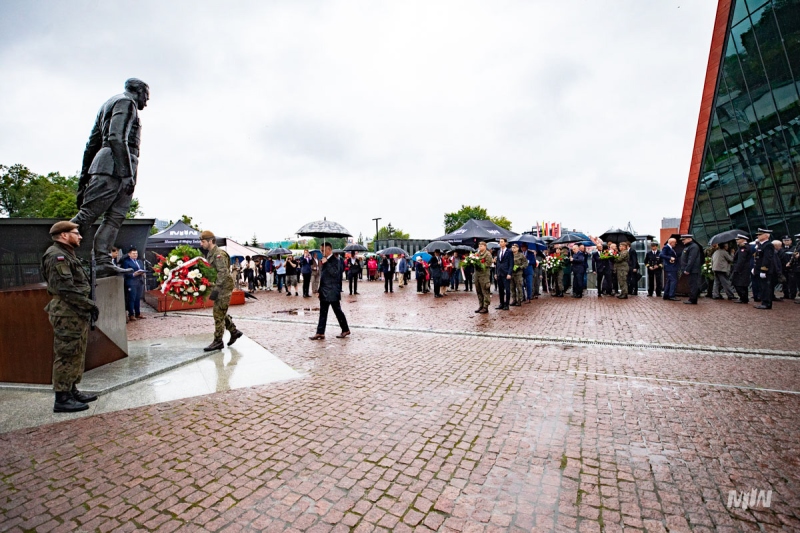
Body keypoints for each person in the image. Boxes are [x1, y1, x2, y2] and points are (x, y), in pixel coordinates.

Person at [71, 79, 148, 278]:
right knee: (89, 214)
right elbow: (116, 138)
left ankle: (103, 261)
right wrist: (126, 173)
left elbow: (91, 145)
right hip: (115, 166)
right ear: (139, 91)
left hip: (116, 164)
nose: (146, 102)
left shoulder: (107, 105)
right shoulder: (126, 102)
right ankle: (59, 251)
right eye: (146, 96)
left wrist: (83, 179)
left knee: (114, 218)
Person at [42, 221, 100, 413]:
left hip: (75, 311)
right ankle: (62, 398)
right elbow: (65, 288)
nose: (80, 236)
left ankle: (71, 389)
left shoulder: (67, 254)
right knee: (66, 353)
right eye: (76, 233)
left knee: (76, 351)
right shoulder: (56, 256)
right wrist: (89, 304)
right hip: (67, 311)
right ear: (64, 235)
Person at [200, 231, 243, 351]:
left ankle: (218, 341)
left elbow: (223, 273)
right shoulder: (210, 254)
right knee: (221, 311)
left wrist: (216, 289)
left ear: (210, 241)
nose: (201, 244)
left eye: (203, 241)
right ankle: (234, 331)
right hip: (219, 286)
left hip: (224, 286)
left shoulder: (219, 254)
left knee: (218, 313)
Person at [309, 243, 350, 340]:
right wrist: (319, 290)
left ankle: (345, 329)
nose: (321, 252)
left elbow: (335, 273)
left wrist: (327, 263)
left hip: (332, 291)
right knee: (323, 312)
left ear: (329, 250)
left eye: (323, 250)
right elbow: (323, 277)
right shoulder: (324, 260)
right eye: (321, 250)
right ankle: (320, 332)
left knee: (337, 311)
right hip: (324, 290)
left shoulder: (336, 260)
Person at [752, 228, 776, 309]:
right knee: (762, 287)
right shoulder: (761, 245)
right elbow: (757, 258)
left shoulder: (768, 245)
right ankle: (764, 302)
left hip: (765, 270)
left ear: (766, 236)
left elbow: (767, 258)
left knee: (766, 287)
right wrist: (755, 268)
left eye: (760, 234)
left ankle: (767, 303)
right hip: (759, 269)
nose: (758, 236)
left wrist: (763, 270)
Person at [121, 246, 146, 321]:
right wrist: (133, 274)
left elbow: (142, 269)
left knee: (138, 298)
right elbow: (125, 272)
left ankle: (138, 313)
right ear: (129, 254)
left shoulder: (139, 261)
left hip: (139, 281)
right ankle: (131, 314)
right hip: (131, 282)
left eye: (136, 253)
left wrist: (142, 273)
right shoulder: (126, 262)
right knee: (132, 298)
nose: (135, 255)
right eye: (133, 253)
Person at [680, 234, 703, 304]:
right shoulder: (688, 246)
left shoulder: (693, 246)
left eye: (684, 240)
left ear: (689, 239)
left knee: (693, 285)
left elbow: (691, 259)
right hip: (691, 270)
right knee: (691, 284)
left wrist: (687, 269)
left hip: (693, 270)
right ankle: (692, 298)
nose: (683, 241)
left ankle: (693, 299)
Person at [730, 234, 752, 303]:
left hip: (741, 269)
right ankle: (744, 298)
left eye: (738, 239)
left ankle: (743, 298)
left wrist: (736, 269)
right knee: (743, 284)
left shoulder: (743, 248)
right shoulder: (744, 247)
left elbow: (741, 260)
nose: (737, 241)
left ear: (743, 240)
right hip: (744, 269)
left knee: (738, 284)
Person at [494, 238, 514, 310]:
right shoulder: (499, 251)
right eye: (500, 242)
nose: (500, 243)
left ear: (505, 243)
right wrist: (496, 273)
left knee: (507, 289)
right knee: (500, 289)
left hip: (506, 273)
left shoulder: (509, 251)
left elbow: (511, 263)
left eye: (502, 242)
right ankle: (501, 303)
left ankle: (507, 304)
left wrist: (509, 273)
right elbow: (497, 263)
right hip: (499, 273)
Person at [473, 241, 492, 313]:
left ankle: (485, 307)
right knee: (478, 291)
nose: (479, 247)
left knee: (485, 291)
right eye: (479, 246)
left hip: (484, 275)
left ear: (485, 246)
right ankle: (481, 305)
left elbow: (488, 263)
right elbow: (473, 260)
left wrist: (480, 264)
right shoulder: (477, 254)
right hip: (477, 274)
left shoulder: (488, 254)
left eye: (481, 246)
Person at [780, 235, 796, 301]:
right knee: (784, 282)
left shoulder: (794, 248)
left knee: (792, 282)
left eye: (788, 240)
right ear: (783, 241)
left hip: (792, 268)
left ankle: (792, 295)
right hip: (783, 268)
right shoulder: (781, 249)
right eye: (785, 240)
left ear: (791, 241)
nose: (786, 242)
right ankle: (786, 294)